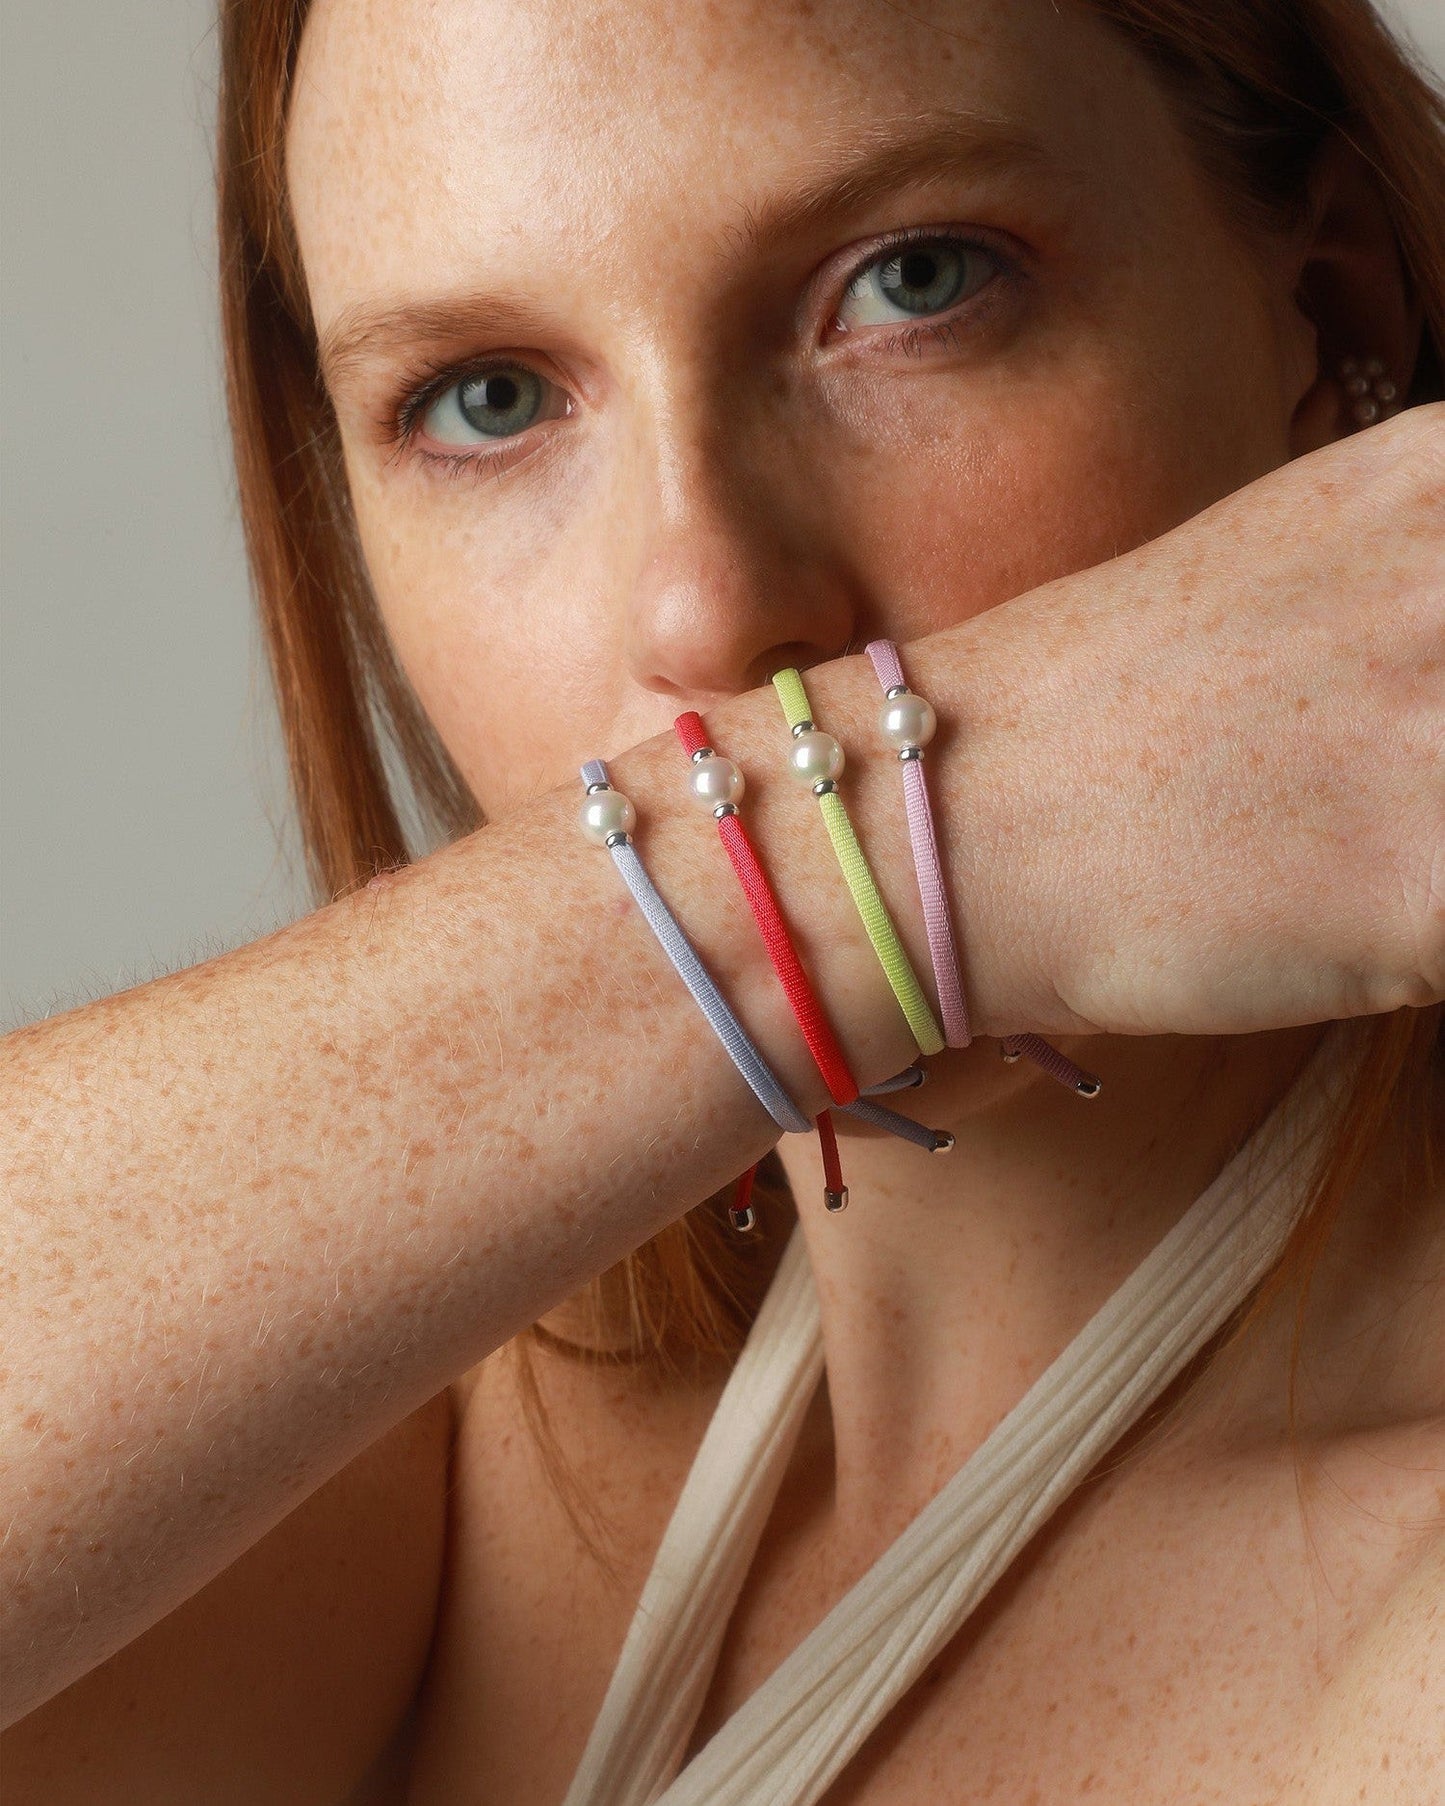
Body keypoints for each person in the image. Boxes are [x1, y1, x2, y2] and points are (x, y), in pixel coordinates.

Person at [2, 0, 1442, 1797]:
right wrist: (955, 835)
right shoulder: (427, 1423)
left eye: (912, 282)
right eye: (489, 397)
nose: (703, 607)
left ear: (1330, 311)